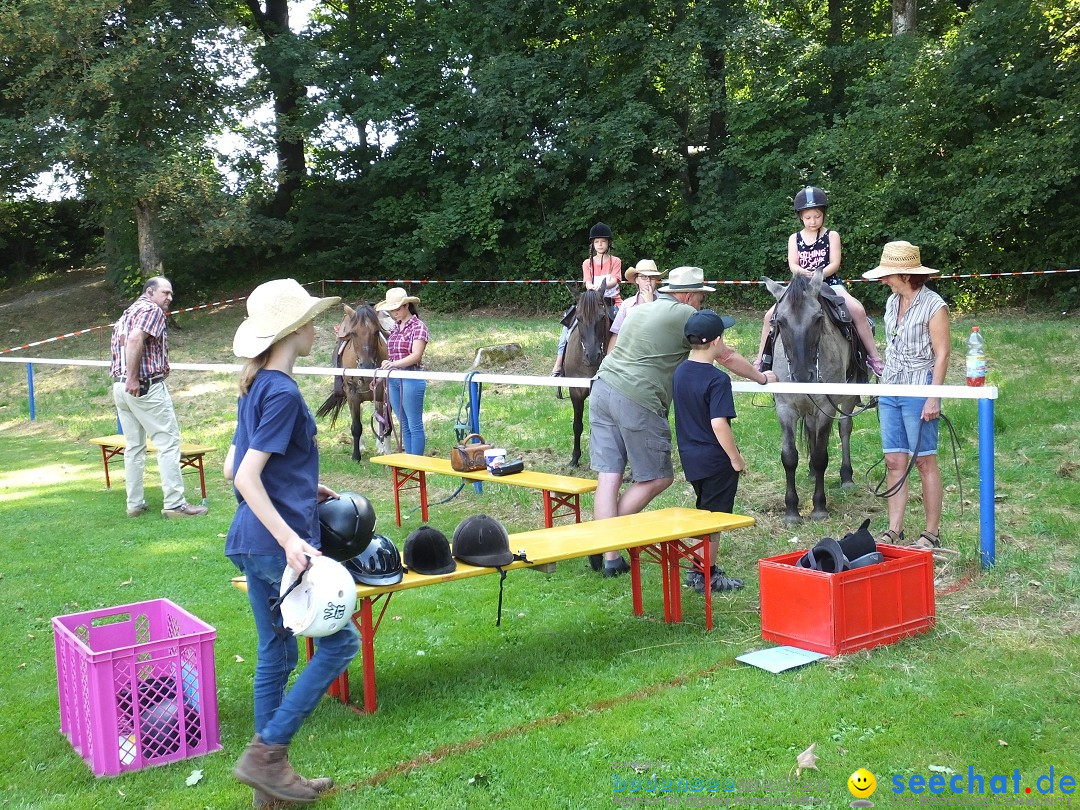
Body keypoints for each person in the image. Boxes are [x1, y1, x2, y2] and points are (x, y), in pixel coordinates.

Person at [224, 278, 360, 806]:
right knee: (342, 643)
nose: (316, 327)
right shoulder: (280, 390)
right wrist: (289, 540)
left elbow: (236, 462)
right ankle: (268, 754)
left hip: (249, 540)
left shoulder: (257, 383)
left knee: (276, 651)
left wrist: (304, 485)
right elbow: (245, 476)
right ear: (293, 331)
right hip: (275, 544)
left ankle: (270, 789)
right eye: (309, 320)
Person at [588, 266, 776, 577]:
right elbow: (724, 355)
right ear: (687, 295)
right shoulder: (684, 315)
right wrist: (761, 377)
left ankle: (607, 556)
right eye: (701, 298)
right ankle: (604, 542)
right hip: (636, 397)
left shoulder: (641, 310)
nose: (701, 304)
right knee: (657, 478)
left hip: (602, 387)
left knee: (609, 474)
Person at [862, 241, 954, 556]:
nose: (884, 280)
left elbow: (942, 355)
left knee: (925, 460)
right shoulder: (891, 302)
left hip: (919, 387)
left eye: (888, 275)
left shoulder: (934, 305)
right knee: (894, 460)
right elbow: (893, 347)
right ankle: (894, 528)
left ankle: (931, 532)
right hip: (891, 387)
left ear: (905, 274)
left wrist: (934, 397)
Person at [757, 187, 884, 376]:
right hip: (800, 285)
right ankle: (762, 359)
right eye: (807, 217)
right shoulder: (795, 238)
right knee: (770, 316)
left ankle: (873, 357)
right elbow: (793, 264)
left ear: (823, 214)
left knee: (857, 310)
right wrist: (803, 273)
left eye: (816, 216)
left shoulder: (832, 235)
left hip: (829, 283)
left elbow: (835, 263)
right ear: (800, 217)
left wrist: (818, 275)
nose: (812, 221)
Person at [109, 276, 208, 518]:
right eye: (165, 293)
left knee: (134, 447)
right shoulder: (151, 309)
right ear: (150, 292)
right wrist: (133, 378)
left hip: (120, 388)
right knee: (168, 443)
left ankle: (134, 504)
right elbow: (134, 340)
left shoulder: (128, 312)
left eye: (171, 294)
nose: (169, 298)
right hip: (142, 386)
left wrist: (127, 379)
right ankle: (175, 504)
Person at [672, 310, 748, 594]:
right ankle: (707, 575)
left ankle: (697, 568)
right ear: (717, 341)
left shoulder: (680, 371)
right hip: (716, 460)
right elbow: (719, 423)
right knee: (714, 518)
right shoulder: (718, 380)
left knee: (703, 512)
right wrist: (735, 459)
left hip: (690, 457)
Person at [551, 221, 623, 376]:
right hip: (591, 300)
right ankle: (558, 364)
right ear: (592, 244)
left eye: (603, 241)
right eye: (596, 242)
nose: (600, 244)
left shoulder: (615, 261)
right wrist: (593, 288)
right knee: (568, 323)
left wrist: (602, 287)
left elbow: (615, 280)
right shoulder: (587, 263)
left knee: (626, 325)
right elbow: (587, 282)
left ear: (608, 243)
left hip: (612, 301)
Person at [375, 287, 429, 455]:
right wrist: (388, 362)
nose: (394, 313)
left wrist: (394, 364)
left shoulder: (418, 327)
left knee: (414, 424)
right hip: (394, 379)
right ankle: (410, 460)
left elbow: (416, 355)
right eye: (391, 310)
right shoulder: (394, 329)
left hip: (411, 377)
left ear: (407, 306)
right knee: (403, 423)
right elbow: (394, 355)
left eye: (397, 308)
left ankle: (416, 462)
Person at [608, 259, 662, 350]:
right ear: (637, 280)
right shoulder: (627, 304)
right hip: (630, 355)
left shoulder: (665, 302)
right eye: (644, 277)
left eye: (652, 277)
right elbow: (616, 334)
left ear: (656, 280)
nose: (648, 281)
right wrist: (608, 361)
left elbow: (662, 332)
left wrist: (650, 305)